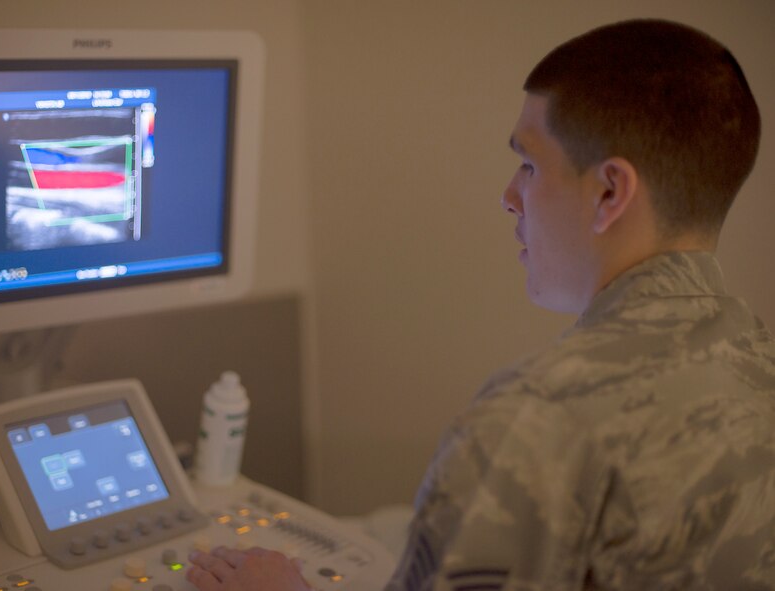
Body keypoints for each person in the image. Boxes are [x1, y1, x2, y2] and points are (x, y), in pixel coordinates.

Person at [187, 18, 775, 590]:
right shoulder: (759, 363)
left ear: (609, 192)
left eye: (529, 164)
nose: (509, 196)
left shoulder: (536, 417)